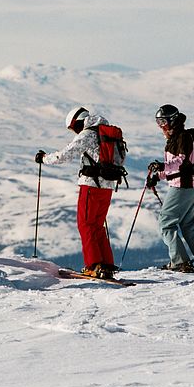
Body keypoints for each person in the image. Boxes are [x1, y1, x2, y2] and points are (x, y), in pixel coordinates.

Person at [35, 107, 123, 279]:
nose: (76, 132)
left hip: (91, 185)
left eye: (75, 128)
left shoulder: (88, 134)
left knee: (86, 225)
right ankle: (106, 265)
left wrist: (45, 158)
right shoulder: (108, 133)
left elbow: (65, 155)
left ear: (80, 122)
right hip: (107, 185)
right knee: (97, 226)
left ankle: (93, 266)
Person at [147, 104, 194, 273]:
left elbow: (182, 161)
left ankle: (180, 262)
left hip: (182, 187)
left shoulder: (183, 137)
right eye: (158, 122)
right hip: (188, 186)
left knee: (165, 223)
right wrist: (157, 176)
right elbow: (176, 168)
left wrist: (160, 166)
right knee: (187, 225)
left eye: (163, 121)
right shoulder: (176, 138)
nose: (161, 126)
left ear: (172, 120)